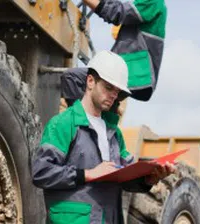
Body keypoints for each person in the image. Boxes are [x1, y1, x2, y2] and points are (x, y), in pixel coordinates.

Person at [32, 51, 175, 224]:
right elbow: (42, 172)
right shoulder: (63, 124)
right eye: (108, 88)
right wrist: (87, 174)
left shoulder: (114, 133)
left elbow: (126, 174)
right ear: (90, 81)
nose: (114, 95)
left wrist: (148, 179)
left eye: (117, 91)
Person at [83, 0, 167, 101]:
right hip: (130, 73)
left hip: (130, 71)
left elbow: (116, 12)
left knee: (74, 80)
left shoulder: (153, 2)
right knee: (106, 108)